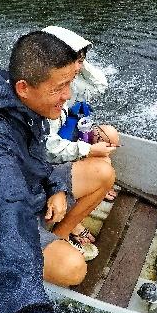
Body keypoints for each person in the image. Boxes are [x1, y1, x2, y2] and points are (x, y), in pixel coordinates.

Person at [0, 31, 116, 313]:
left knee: (103, 172)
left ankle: (58, 237)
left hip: (35, 191)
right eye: (60, 87)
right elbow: (9, 214)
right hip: (1, 220)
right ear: (23, 87)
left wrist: (55, 188)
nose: (68, 95)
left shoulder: (28, 107)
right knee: (74, 268)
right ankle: (49, 249)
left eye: (69, 83)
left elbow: (38, 159)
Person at [42, 26, 121, 245]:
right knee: (103, 170)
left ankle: (89, 191)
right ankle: (65, 229)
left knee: (110, 136)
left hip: (64, 139)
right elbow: (46, 147)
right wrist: (88, 150)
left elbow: (99, 85)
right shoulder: (41, 90)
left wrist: (78, 63)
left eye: (81, 60)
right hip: (47, 159)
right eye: (74, 60)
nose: (67, 94)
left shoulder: (67, 78)